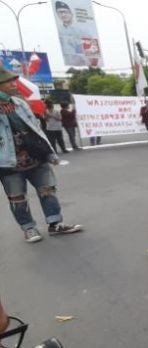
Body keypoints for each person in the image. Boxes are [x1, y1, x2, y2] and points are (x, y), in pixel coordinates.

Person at [0, 66, 82, 242]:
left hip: (36, 157)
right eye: (9, 81)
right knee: (18, 200)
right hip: (9, 163)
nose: (14, 84)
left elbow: (37, 130)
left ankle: (55, 224)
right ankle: (29, 228)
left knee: (48, 191)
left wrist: (50, 152)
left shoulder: (20, 103)